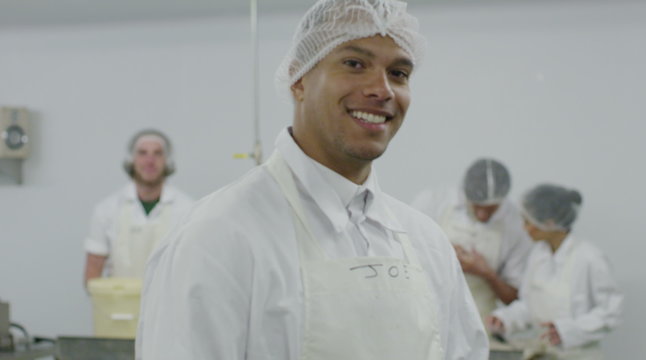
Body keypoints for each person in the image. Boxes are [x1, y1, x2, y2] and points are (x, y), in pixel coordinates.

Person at [136, 1, 488, 359]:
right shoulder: (217, 236)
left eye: (398, 73)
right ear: (298, 78)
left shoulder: (426, 243)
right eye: (354, 64)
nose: (382, 90)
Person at [486, 184, 623, 359]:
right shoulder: (538, 254)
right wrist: (506, 319)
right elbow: (530, 304)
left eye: (528, 222)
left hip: (579, 355)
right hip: (542, 353)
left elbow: (611, 312)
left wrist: (570, 331)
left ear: (549, 223)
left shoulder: (589, 257)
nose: (524, 228)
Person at [413, 158, 532, 322]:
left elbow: (514, 298)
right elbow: (402, 253)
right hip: (427, 313)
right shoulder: (433, 202)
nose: (483, 215)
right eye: (476, 206)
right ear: (464, 193)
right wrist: (442, 252)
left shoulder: (517, 225)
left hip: (479, 321)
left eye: (491, 209)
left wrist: (487, 273)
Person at [83, 129, 193, 283]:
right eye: (142, 153)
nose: (150, 160)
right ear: (131, 160)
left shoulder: (188, 210)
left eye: (157, 153)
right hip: (118, 305)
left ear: (167, 161)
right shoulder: (107, 210)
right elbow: (92, 273)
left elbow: (192, 267)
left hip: (168, 305)